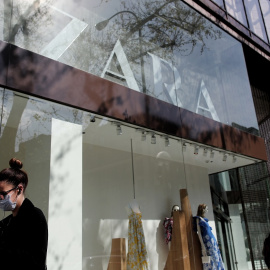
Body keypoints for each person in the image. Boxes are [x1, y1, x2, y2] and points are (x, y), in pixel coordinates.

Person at [0, 158, 48, 270]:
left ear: (19, 189)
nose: (0, 197)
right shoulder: (5, 222)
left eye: (3, 193)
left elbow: (35, 262)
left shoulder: (35, 217)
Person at [193, 204, 224, 270]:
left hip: (212, 242)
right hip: (207, 243)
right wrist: (203, 246)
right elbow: (199, 234)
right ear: (202, 209)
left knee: (216, 258)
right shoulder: (198, 219)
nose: (207, 210)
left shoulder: (204, 220)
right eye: (205, 209)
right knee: (210, 259)